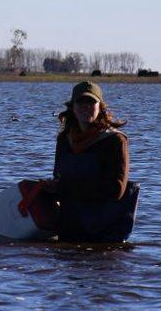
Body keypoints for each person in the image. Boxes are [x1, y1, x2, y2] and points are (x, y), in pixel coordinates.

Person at [44, 81, 138, 242]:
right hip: (70, 225)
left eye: (91, 102)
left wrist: (66, 187)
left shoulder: (115, 140)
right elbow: (58, 177)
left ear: (100, 107)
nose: (85, 106)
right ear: (72, 107)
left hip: (105, 228)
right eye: (80, 102)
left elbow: (116, 190)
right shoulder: (64, 140)